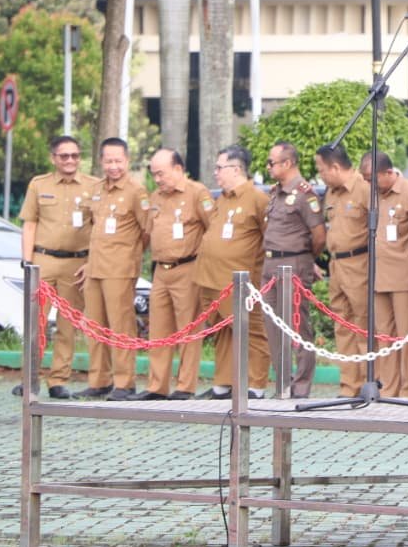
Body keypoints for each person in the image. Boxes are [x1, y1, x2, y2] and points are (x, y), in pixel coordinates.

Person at [15, 135, 98, 399]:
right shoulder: (39, 185)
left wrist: (92, 261)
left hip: (76, 264)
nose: (70, 160)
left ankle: (58, 380)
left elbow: (99, 228)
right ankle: (30, 378)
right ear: (54, 158)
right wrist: (28, 262)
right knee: (35, 321)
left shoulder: (94, 186)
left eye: (75, 155)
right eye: (64, 156)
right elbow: (29, 223)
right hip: (44, 262)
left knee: (67, 326)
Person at [195, 145, 271, 400]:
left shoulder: (258, 199)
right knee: (221, 330)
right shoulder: (221, 199)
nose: (215, 173)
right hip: (211, 277)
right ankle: (224, 383)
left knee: (251, 330)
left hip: (240, 281)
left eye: (220, 167)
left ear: (236, 169)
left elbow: (268, 238)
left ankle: (255, 385)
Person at [138, 148, 213, 401]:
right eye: (154, 174)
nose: (158, 179)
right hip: (161, 270)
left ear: (178, 169)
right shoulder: (156, 197)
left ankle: (185, 386)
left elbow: (211, 229)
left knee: (187, 330)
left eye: (162, 173)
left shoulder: (197, 193)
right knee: (158, 330)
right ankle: (157, 387)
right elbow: (149, 231)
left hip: (187, 268)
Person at [77, 138, 148, 401]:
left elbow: (146, 231)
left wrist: (129, 257)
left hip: (120, 268)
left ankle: (124, 382)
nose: (113, 166)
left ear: (127, 161)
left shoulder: (136, 192)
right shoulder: (97, 190)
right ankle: (99, 380)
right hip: (95, 267)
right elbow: (93, 227)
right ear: (101, 161)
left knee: (121, 326)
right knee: (94, 325)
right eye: (108, 161)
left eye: (118, 161)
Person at [262, 142, 326, 399]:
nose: (268, 167)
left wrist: (307, 257)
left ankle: (300, 385)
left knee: (298, 325)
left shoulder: (304, 194)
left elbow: (319, 235)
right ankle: (283, 384)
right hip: (270, 265)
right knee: (273, 325)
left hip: (294, 264)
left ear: (287, 163)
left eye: (271, 162)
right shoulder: (276, 192)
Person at [360, 151, 408, 397]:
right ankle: (389, 387)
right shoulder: (373, 196)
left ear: (388, 173)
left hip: (407, 277)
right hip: (379, 277)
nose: (369, 184)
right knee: (385, 336)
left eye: (371, 178)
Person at [316, 144, 371, 397]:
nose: (321, 176)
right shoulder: (332, 193)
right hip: (336, 265)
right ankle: (348, 385)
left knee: (363, 325)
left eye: (322, 170)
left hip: (359, 263)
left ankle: (368, 382)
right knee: (342, 325)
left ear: (336, 167)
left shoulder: (365, 189)